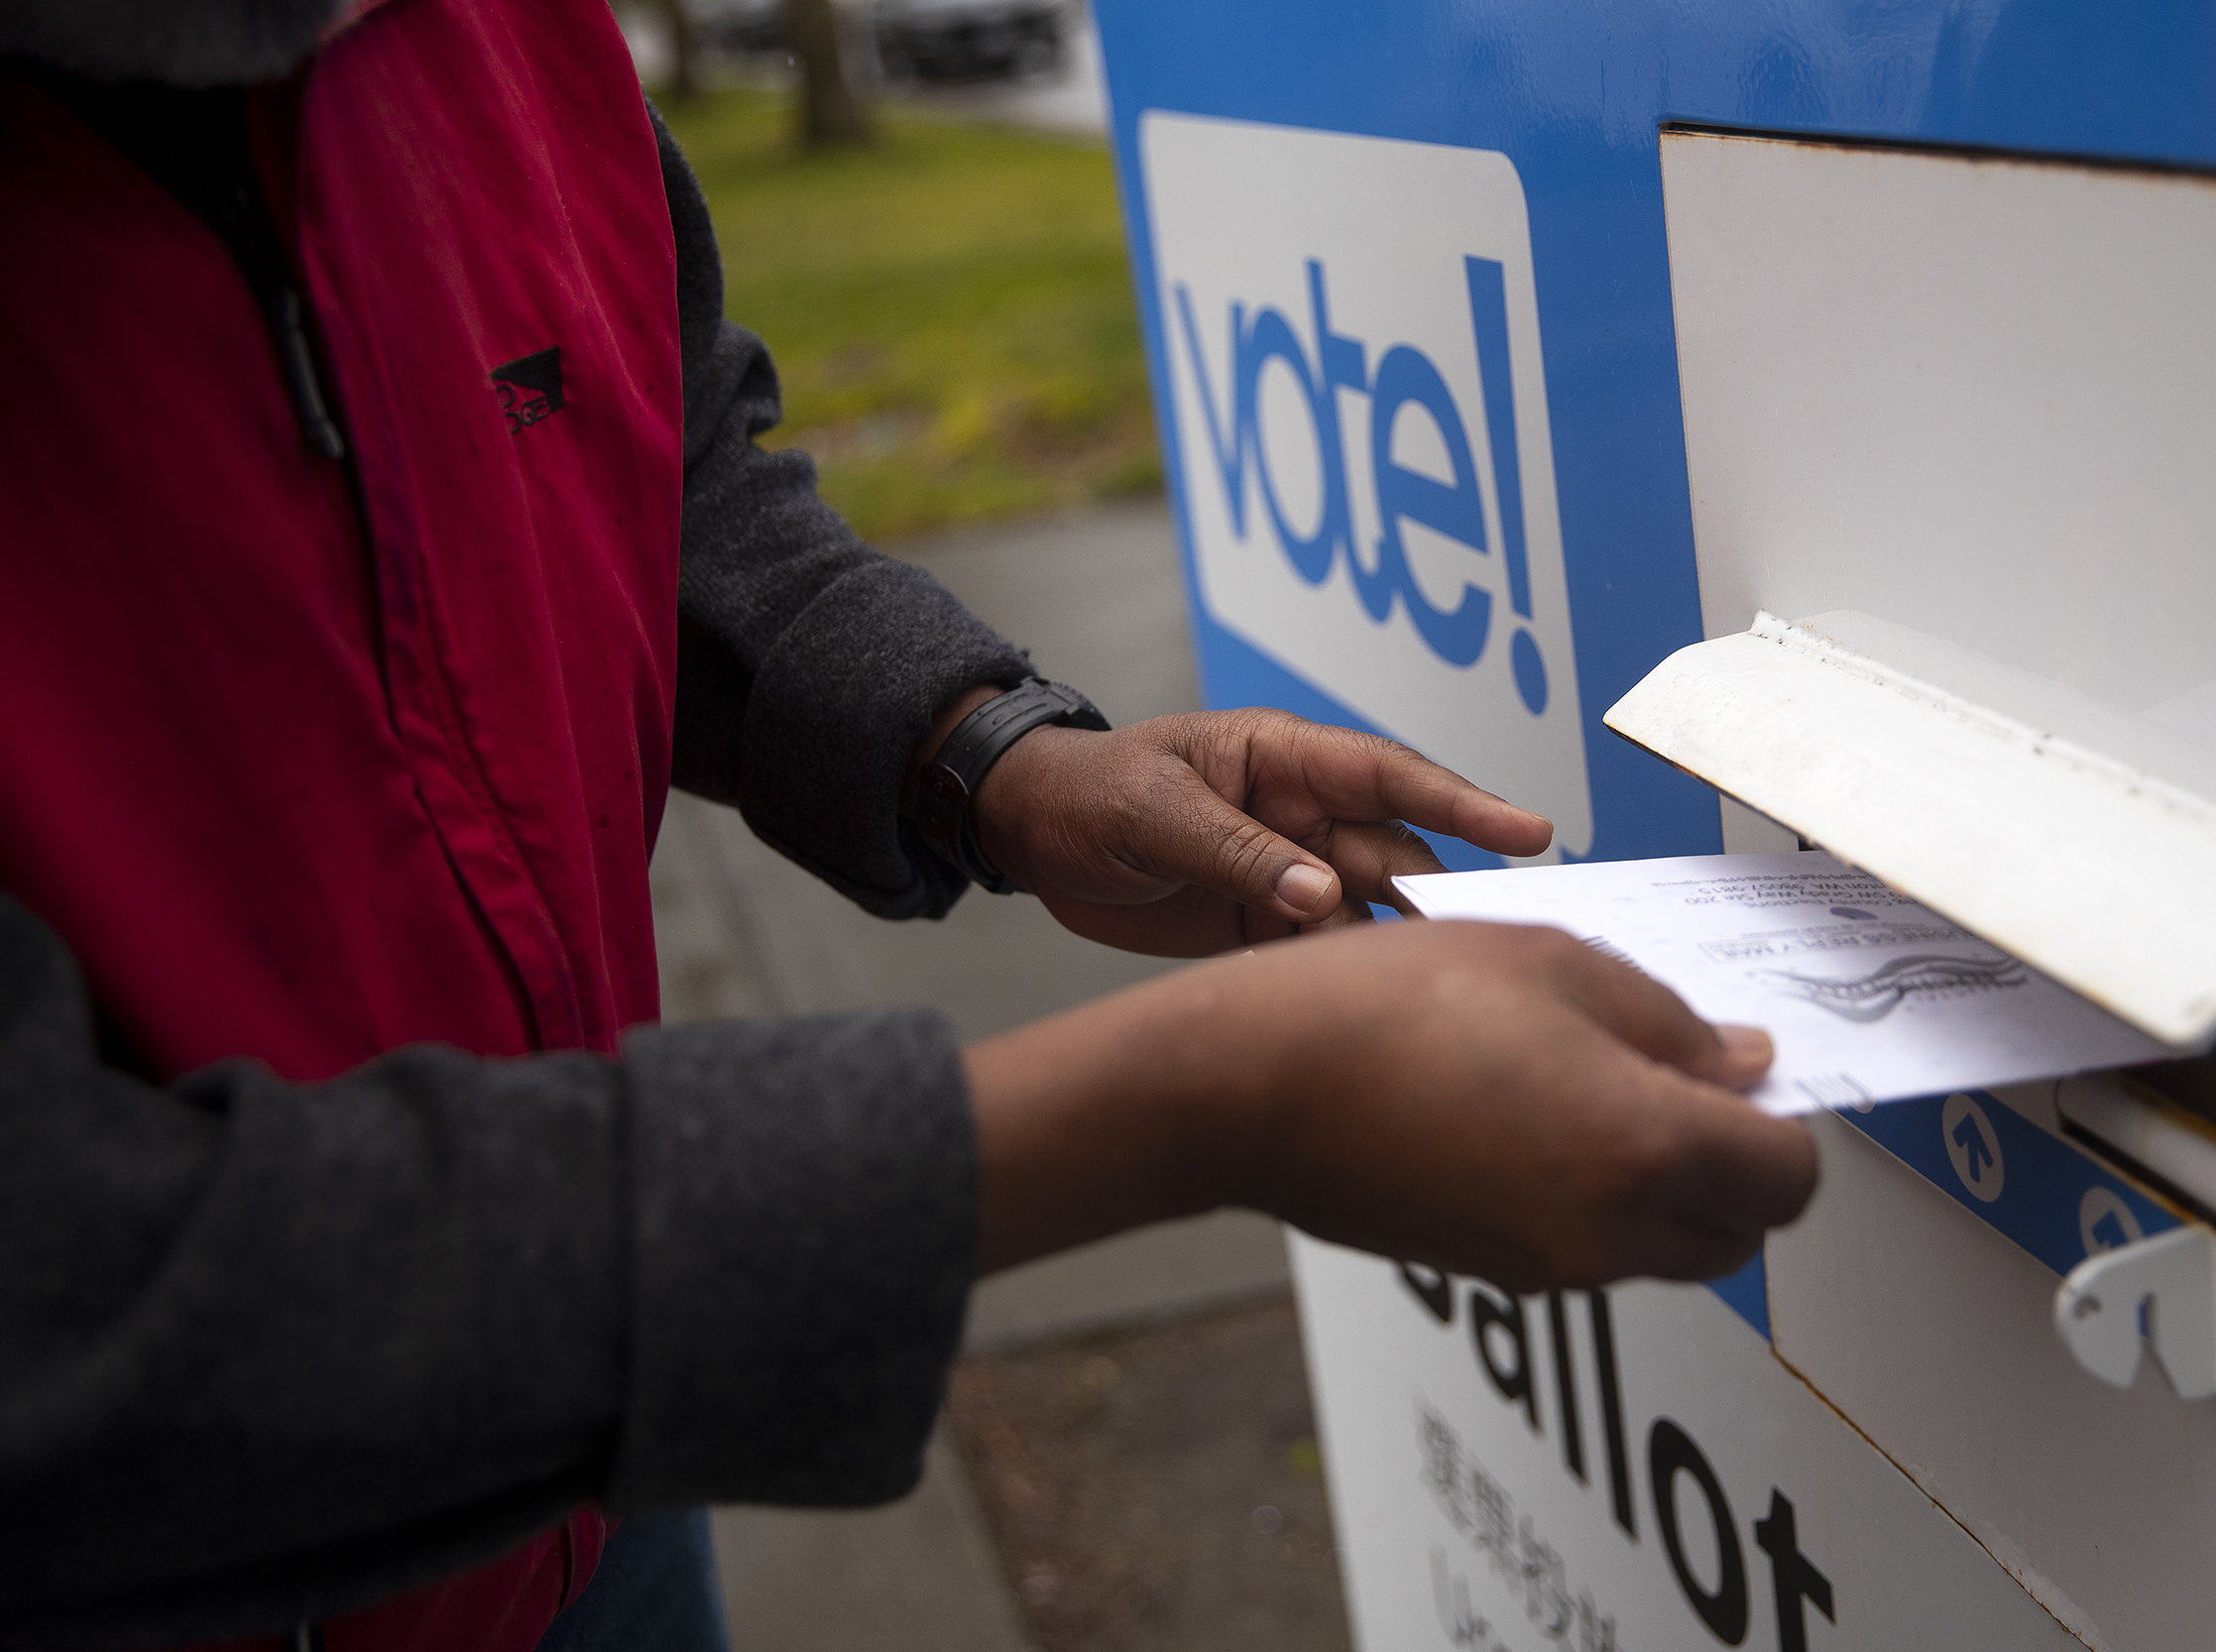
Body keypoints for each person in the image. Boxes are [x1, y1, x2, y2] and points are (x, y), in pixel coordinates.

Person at [0, 1, 1819, 1648]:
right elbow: (69, 1303)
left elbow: (634, 443)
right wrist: (1206, 1101)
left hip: (592, 1489)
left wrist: (995, 757)